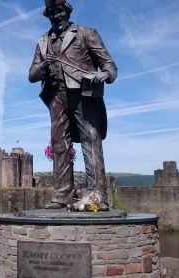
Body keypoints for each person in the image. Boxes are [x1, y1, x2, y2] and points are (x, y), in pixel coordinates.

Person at [29, 0, 117, 210]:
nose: (55, 16)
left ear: (67, 11)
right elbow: (32, 76)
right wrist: (43, 65)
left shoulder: (86, 33)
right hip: (56, 96)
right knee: (59, 144)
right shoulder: (42, 42)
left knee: (91, 141)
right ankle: (62, 195)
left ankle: (98, 195)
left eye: (59, 11)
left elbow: (110, 67)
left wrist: (103, 75)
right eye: (51, 12)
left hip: (84, 94)